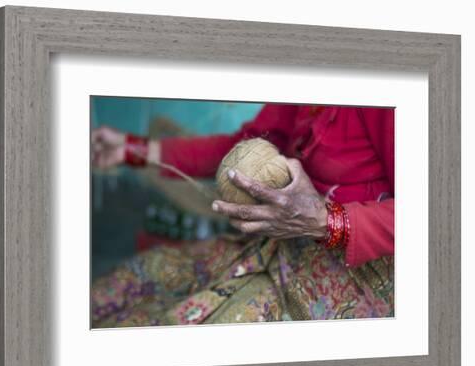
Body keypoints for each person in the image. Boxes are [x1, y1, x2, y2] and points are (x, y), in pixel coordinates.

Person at [90, 104, 394, 327]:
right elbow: (237, 150)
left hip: (357, 276)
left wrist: (327, 221)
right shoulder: (307, 88)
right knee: (141, 275)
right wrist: (134, 150)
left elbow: (432, 214)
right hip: (281, 246)